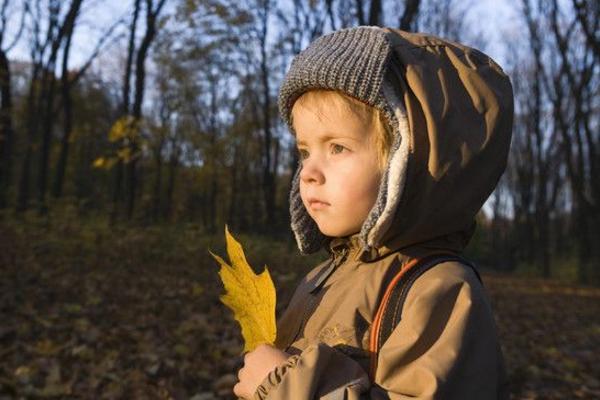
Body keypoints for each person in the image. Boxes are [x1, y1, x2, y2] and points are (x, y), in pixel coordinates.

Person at [233, 26, 513, 399]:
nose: (309, 173)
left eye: (337, 148)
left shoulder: (441, 291)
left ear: (406, 161)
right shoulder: (322, 277)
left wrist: (281, 387)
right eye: (304, 151)